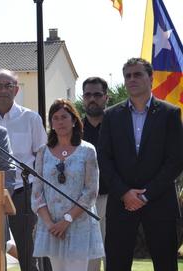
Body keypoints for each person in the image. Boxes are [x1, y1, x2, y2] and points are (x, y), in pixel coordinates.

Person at [98, 58, 183, 271]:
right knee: (116, 264)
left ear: (151, 79)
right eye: (128, 75)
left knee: (165, 264)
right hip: (121, 203)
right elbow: (104, 159)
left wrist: (146, 195)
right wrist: (125, 193)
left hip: (160, 202)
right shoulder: (111, 116)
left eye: (137, 74)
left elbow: (176, 160)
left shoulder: (170, 114)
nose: (132, 79)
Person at [0, 69, 47, 271]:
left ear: (16, 90)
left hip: (22, 193)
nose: (3, 90)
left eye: (8, 86)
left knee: (28, 253)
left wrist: (39, 194)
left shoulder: (31, 118)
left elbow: (42, 157)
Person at [32, 99, 104, 271]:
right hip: (52, 227)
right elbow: (37, 192)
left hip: (78, 225)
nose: (60, 121)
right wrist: (51, 225)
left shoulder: (87, 150)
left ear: (74, 120)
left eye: (64, 117)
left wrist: (67, 220)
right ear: (51, 123)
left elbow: (91, 192)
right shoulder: (43, 151)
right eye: (55, 118)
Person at [82, 77, 109, 271]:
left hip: (112, 199)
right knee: (88, 259)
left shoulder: (117, 124)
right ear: (83, 98)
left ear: (106, 97)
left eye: (97, 95)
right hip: (81, 202)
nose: (93, 99)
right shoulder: (74, 129)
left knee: (113, 253)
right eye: (88, 95)